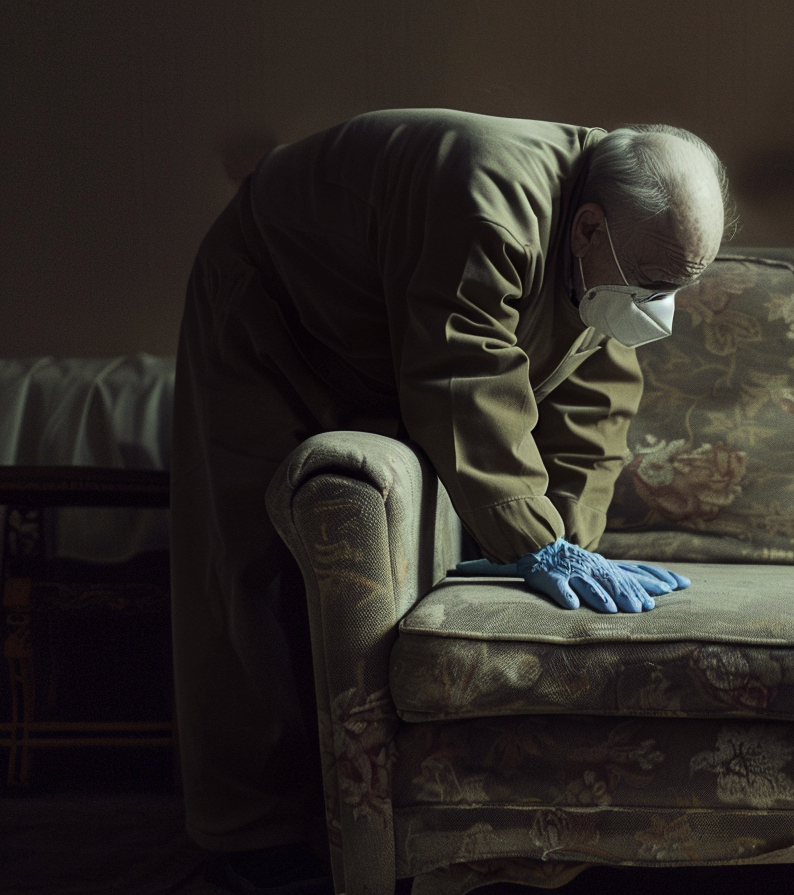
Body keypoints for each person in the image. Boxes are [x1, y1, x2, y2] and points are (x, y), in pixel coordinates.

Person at [170, 108, 729, 894]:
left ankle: (346, 821)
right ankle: (253, 837)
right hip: (273, 310)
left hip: (378, 329)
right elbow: (463, 376)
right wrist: (535, 542)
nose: (662, 306)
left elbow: (595, 398)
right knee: (247, 564)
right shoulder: (488, 202)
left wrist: (575, 540)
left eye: (682, 284)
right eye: (654, 283)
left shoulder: (608, 233)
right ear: (589, 227)